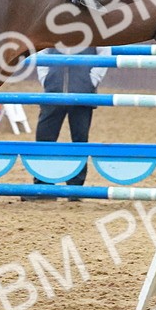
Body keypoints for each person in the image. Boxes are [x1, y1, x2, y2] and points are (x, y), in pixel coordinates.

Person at [24, 47, 107, 201]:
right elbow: (42, 50)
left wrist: (92, 80)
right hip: (53, 91)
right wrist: (46, 78)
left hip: (82, 93)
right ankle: (43, 187)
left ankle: (75, 189)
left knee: (80, 140)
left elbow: (105, 51)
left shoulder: (95, 26)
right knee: (44, 138)